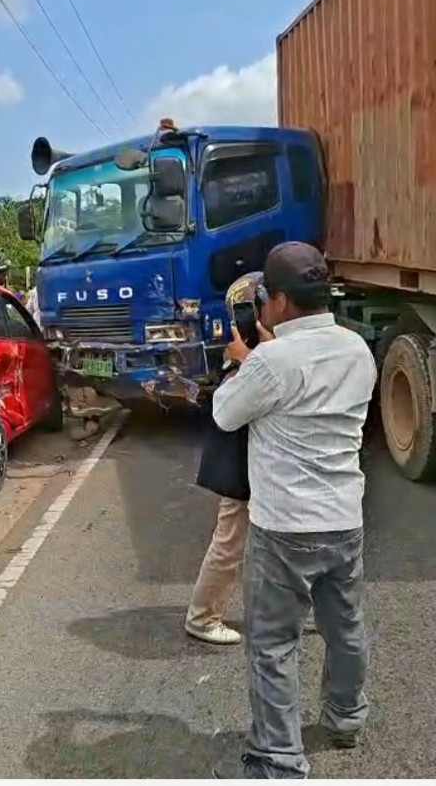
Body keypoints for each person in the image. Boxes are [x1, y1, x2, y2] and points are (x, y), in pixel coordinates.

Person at [211, 242, 377, 780]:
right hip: (344, 518)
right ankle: (346, 718)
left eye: (264, 296)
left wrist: (242, 363)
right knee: (345, 628)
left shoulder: (272, 361)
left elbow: (225, 414)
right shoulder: (357, 348)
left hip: (284, 526)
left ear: (279, 300)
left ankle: (279, 758)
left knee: (273, 644)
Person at [185, 273, 272, 646]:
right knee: (231, 540)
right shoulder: (242, 355)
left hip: (265, 465)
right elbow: (231, 409)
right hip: (244, 467)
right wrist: (251, 359)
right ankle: (203, 616)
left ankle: (290, 612)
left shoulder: (263, 349)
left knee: (286, 543)